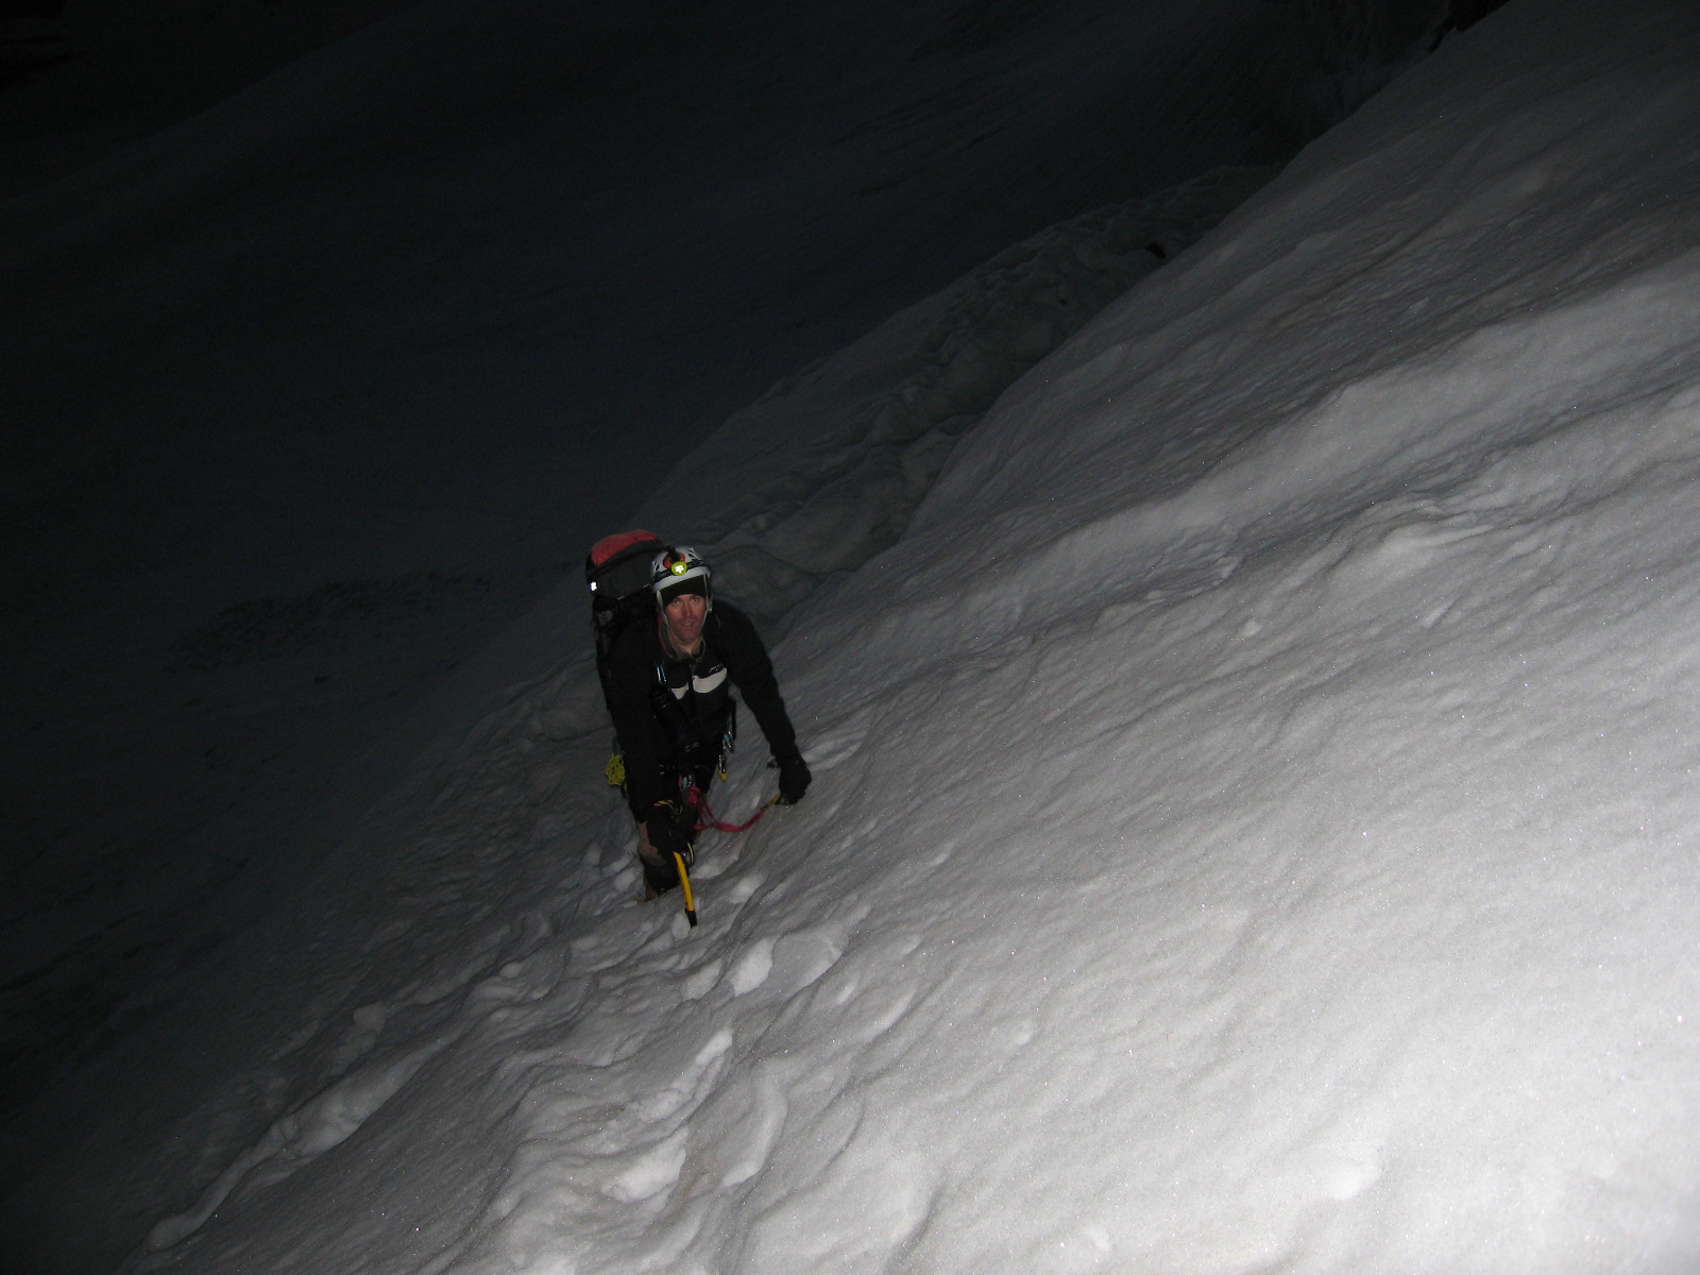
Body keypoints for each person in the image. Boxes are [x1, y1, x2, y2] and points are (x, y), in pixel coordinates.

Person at [603, 545, 810, 897]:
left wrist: (788, 757)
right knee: (659, 850)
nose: (688, 614)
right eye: (675, 603)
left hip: (705, 742)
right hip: (652, 753)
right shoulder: (634, 652)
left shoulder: (730, 631)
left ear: (708, 599)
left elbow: (764, 697)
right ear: (660, 606)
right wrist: (652, 808)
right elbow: (635, 737)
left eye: (695, 599)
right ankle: (658, 894)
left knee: (685, 820)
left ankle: (683, 833)